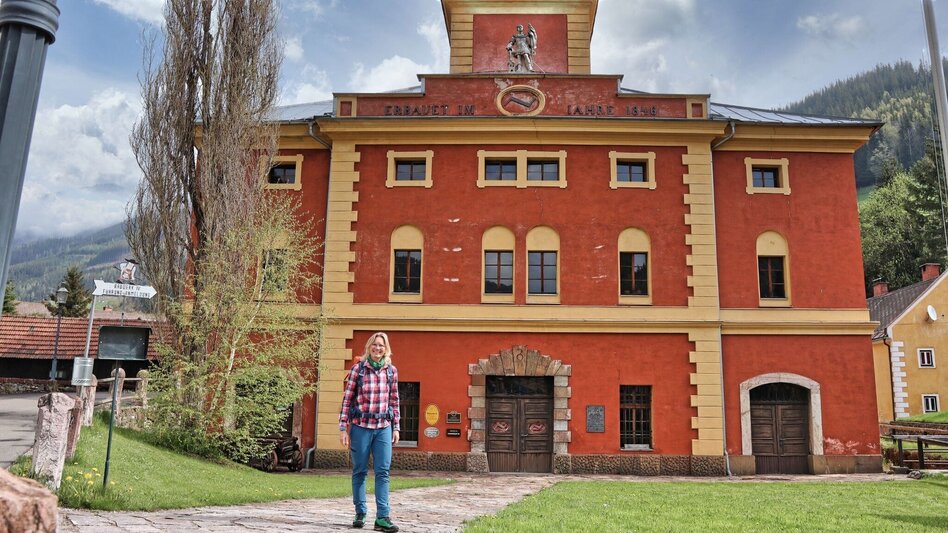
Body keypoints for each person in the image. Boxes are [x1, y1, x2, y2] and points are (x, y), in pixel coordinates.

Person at [339, 332, 401, 532]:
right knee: (360, 471)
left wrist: (396, 426)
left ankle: (382, 517)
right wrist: (343, 428)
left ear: (386, 349)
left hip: (383, 428)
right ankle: (360, 512)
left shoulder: (391, 371)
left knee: (383, 472)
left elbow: (395, 401)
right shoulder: (358, 369)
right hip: (360, 428)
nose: (377, 348)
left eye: (381, 345)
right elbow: (347, 400)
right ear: (369, 347)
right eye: (374, 345)